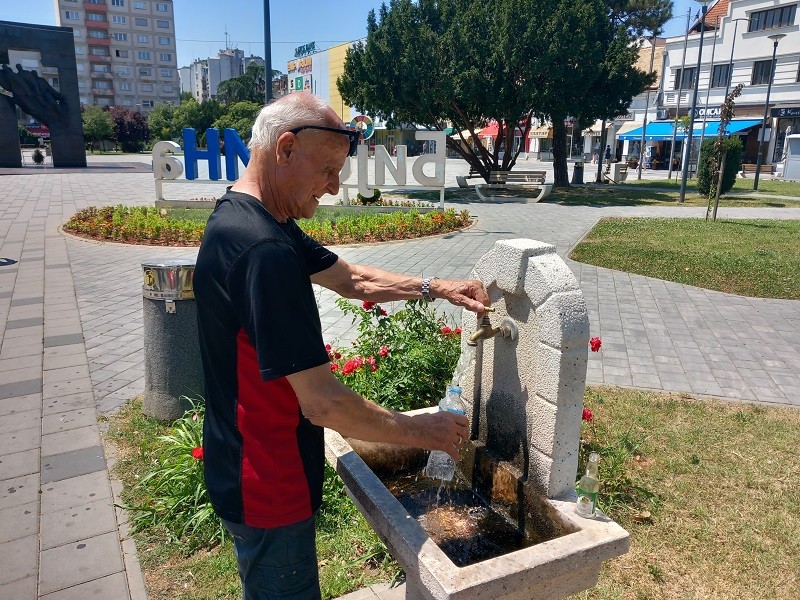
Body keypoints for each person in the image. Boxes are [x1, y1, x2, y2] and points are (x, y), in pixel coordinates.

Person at [193, 92, 490, 600]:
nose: (333, 189)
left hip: (242, 466)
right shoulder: (265, 250)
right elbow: (323, 402)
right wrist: (424, 431)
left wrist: (435, 287)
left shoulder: (254, 219)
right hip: (269, 483)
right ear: (285, 149)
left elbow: (352, 278)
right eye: (328, 170)